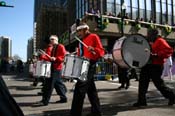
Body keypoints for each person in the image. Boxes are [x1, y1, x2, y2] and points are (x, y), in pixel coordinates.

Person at [133, 29, 175, 107]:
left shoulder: (160, 41)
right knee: (142, 83)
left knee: (159, 84)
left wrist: (156, 55)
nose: (148, 35)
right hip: (147, 65)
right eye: (148, 34)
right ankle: (141, 101)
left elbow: (169, 50)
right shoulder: (149, 42)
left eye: (149, 34)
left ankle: (172, 96)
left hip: (156, 66)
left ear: (154, 34)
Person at [70, 23, 105, 116]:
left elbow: (101, 51)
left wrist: (93, 49)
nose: (78, 33)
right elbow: (80, 54)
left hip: (89, 64)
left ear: (86, 29)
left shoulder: (94, 36)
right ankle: (97, 111)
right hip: (82, 64)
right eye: (77, 31)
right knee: (91, 90)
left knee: (79, 90)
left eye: (79, 31)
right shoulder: (81, 41)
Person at [37, 35, 67, 106]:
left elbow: (63, 57)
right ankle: (63, 98)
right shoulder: (52, 48)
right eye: (50, 39)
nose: (51, 40)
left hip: (56, 68)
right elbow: (50, 58)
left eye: (52, 39)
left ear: (56, 40)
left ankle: (45, 101)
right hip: (53, 68)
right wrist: (43, 56)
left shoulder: (60, 46)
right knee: (58, 85)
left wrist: (56, 58)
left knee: (49, 85)